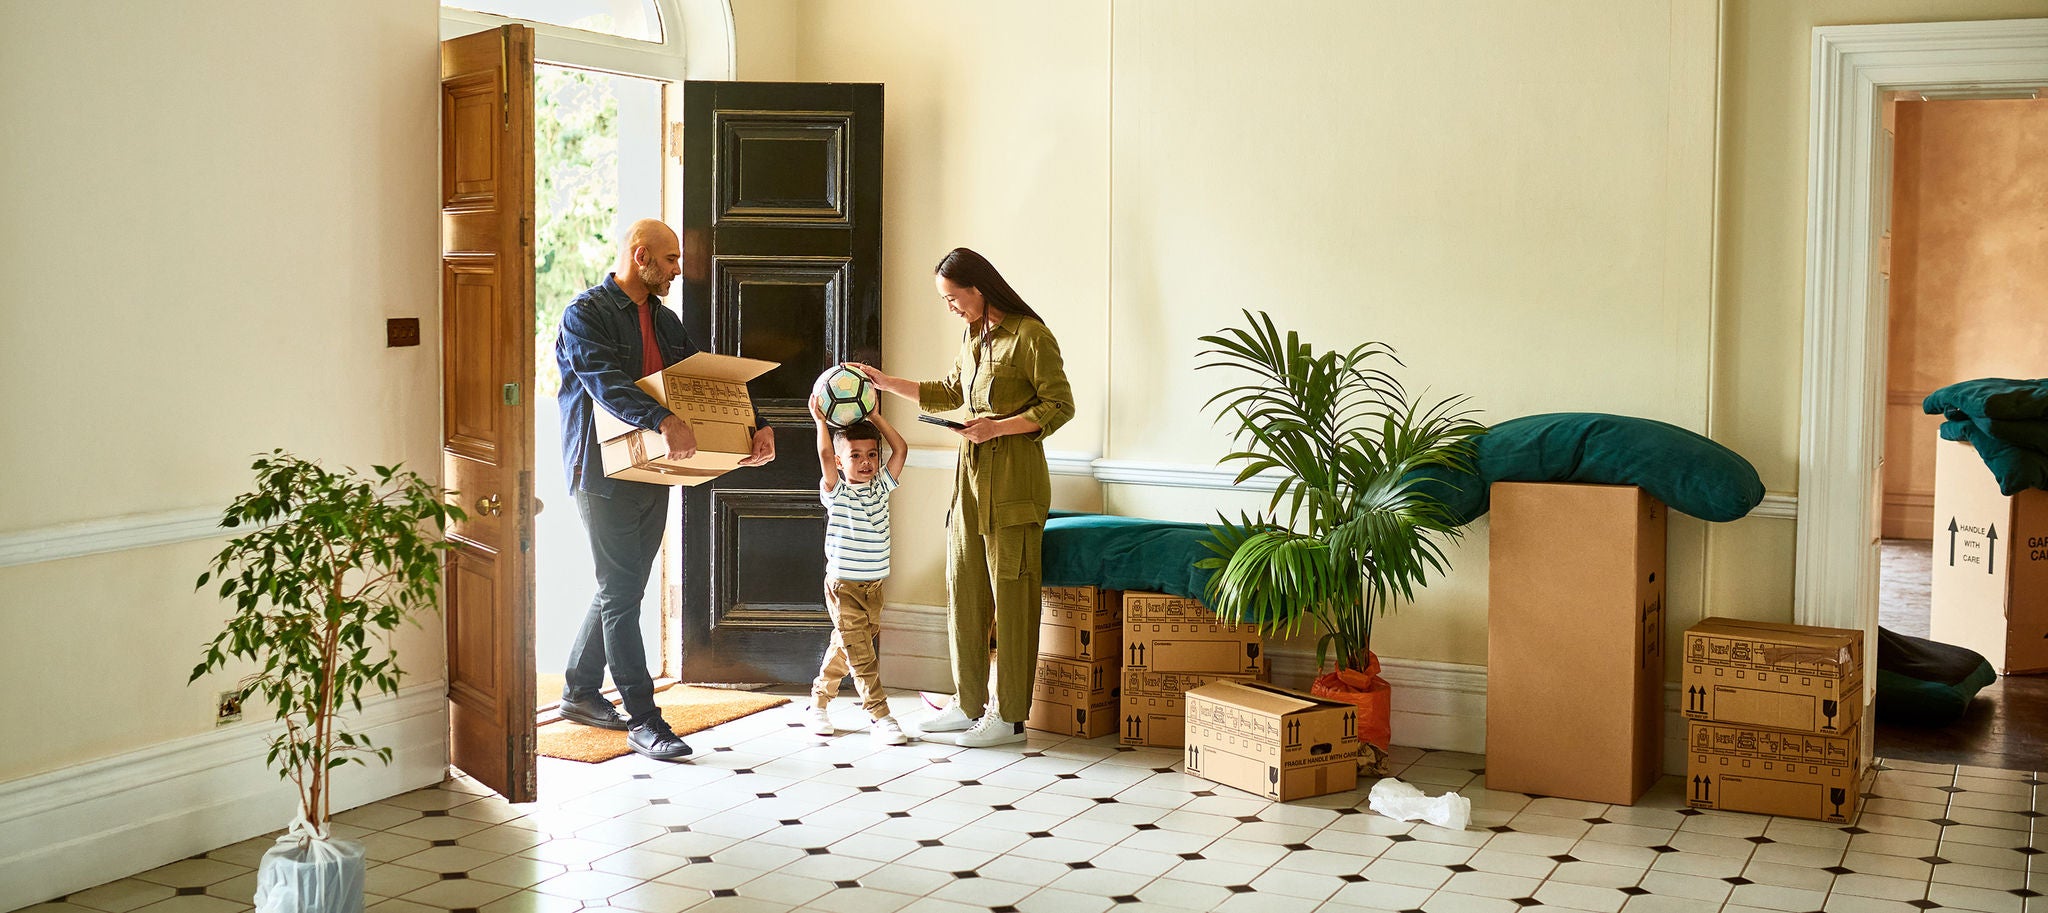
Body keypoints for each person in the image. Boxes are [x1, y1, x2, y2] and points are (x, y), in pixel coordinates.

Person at [554, 218, 776, 761]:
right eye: (671, 259)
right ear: (641, 256)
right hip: (600, 474)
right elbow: (605, 382)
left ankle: (579, 692)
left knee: (622, 586)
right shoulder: (584, 315)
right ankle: (644, 720)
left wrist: (758, 424)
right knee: (621, 591)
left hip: (653, 470)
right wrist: (661, 419)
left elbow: (705, 379)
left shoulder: (664, 319)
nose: (679, 269)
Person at [850, 248, 1074, 748]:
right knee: (965, 592)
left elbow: (1060, 405)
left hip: (1014, 481)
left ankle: (1010, 717)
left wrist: (998, 428)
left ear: (978, 288)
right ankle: (968, 703)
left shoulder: (1031, 336)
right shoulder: (974, 335)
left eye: (953, 297)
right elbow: (951, 391)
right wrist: (885, 382)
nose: (950, 307)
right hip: (969, 479)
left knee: (1012, 601)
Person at [801, 400, 909, 746]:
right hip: (844, 586)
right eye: (856, 456)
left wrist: (876, 416)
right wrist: (820, 422)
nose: (866, 462)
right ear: (839, 462)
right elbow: (823, 454)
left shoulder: (881, 486)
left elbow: (901, 449)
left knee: (846, 646)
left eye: (872, 455)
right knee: (862, 655)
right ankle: (880, 715)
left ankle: (818, 703)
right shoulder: (837, 491)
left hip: (874, 587)